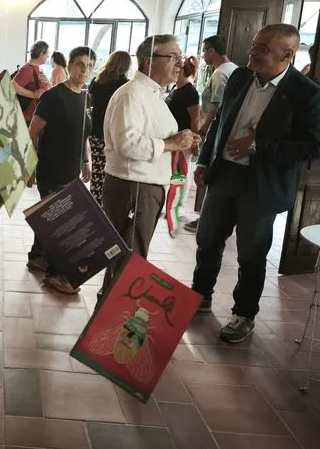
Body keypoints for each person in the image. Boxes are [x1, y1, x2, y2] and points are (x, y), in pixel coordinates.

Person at [191, 24, 320, 343]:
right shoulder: (240, 77)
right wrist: (204, 161)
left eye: (263, 49)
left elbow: (315, 146)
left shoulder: (306, 93)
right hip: (224, 174)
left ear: (287, 55)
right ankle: (199, 295)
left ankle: (244, 314)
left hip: (261, 186)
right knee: (207, 239)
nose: (253, 52)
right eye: (254, 45)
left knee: (251, 253)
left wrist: (258, 145)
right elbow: (221, 122)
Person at [98, 35, 201, 298]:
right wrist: (171, 143)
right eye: (173, 57)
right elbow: (127, 144)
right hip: (134, 187)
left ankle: (110, 312)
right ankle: (110, 315)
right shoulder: (132, 94)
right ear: (149, 60)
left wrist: (180, 140)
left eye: (180, 57)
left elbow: (153, 135)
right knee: (128, 260)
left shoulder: (152, 93)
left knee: (129, 258)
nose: (180, 63)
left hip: (145, 187)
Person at [27, 46, 95, 295]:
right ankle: (57, 274)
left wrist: (86, 161)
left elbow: (83, 134)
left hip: (72, 169)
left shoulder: (85, 97)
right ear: (70, 66)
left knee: (50, 215)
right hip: (51, 168)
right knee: (61, 222)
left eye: (89, 65)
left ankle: (38, 257)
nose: (85, 70)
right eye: (80, 64)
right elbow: (32, 132)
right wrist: (31, 165)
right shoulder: (54, 96)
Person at [184, 36, 237, 233]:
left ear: (212, 51)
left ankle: (207, 220)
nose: (203, 54)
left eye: (204, 50)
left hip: (216, 132)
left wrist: (203, 131)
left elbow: (216, 107)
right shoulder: (234, 69)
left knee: (208, 173)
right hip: (225, 132)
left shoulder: (221, 73)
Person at [88, 50, 131, 207]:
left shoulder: (96, 81)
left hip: (96, 131)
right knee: (112, 172)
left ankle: (94, 204)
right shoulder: (126, 85)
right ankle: (108, 206)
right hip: (114, 133)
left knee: (97, 171)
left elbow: (90, 104)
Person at [164, 56, 201, 234]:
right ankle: (170, 204)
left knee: (182, 174)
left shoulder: (190, 92)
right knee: (174, 173)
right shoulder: (175, 88)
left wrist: (194, 141)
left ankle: (178, 207)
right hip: (173, 139)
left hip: (184, 141)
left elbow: (195, 119)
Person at [13, 41, 50, 123]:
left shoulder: (38, 68)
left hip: (36, 116)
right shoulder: (27, 69)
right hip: (28, 118)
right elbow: (13, 86)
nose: (48, 56)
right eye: (47, 53)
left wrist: (48, 82)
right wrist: (33, 94)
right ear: (41, 54)